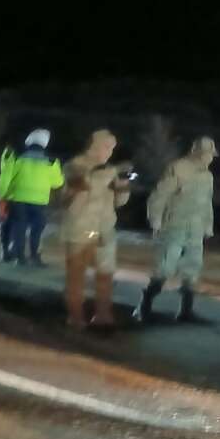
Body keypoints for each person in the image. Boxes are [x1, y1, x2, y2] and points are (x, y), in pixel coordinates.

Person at [136, 137, 217, 322]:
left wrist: (208, 225)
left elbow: (207, 203)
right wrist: (155, 219)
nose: (210, 158)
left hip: (195, 229)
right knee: (165, 266)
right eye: (207, 154)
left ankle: (186, 310)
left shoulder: (207, 176)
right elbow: (160, 195)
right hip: (175, 226)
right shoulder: (178, 168)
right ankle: (144, 306)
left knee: (192, 268)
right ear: (197, 152)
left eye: (211, 155)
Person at [62, 129, 132, 329]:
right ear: (94, 145)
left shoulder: (109, 170)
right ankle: (76, 317)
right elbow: (83, 183)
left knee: (105, 275)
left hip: (104, 230)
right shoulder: (76, 165)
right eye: (106, 146)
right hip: (82, 230)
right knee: (77, 276)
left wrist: (124, 182)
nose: (110, 151)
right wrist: (112, 172)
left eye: (112, 148)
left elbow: (120, 201)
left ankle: (103, 315)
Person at [0, 129, 64, 265]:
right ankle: (35, 256)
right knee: (37, 229)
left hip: (18, 199)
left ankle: (19, 256)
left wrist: (2, 197)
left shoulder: (17, 159)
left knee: (19, 227)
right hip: (39, 201)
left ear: (28, 142)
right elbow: (58, 183)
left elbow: (5, 179)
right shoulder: (51, 162)